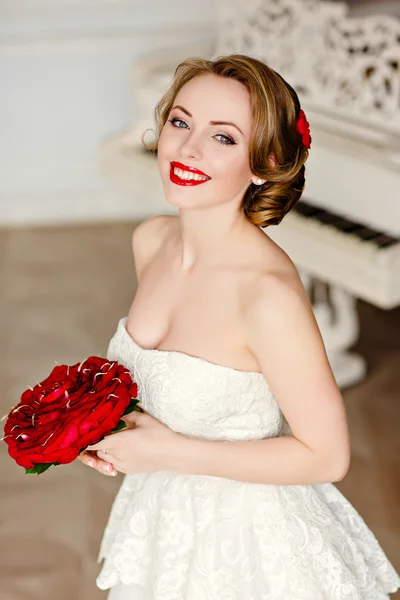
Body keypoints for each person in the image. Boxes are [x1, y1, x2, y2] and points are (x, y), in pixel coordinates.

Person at [79, 54, 400, 599]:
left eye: (223, 138)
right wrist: (99, 428)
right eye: (181, 123)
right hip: (165, 521)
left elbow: (328, 456)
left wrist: (168, 453)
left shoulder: (266, 296)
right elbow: (160, 382)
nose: (189, 149)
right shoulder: (152, 241)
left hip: (249, 548)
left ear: (263, 162)